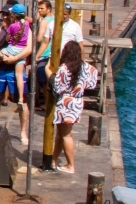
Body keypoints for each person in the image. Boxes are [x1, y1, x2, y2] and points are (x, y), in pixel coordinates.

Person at [44, 42, 98, 174]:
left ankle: (70, 165)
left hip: (65, 103)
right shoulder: (85, 66)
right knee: (61, 133)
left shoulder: (64, 68)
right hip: (77, 102)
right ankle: (54, 160)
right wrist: (81, 85)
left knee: (66, 135)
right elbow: (93, 80)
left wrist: (48, 71)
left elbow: (57, 87)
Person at [0, 4, 33, 144]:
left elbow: (29, 48)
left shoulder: (27, 29)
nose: (4, 17)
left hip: (16, 68)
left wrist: (15, 58)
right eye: (3, 14)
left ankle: (23, 132)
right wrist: (3, 57)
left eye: (7, 14)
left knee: (22, 102)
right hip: (2, 70)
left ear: (12, 15)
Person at [32, 0, 54, 109]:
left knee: (44, 81)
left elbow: (40, 38)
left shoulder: (45, 21)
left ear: (48, 9)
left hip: (44, 53)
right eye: (39, 9)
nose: (39, 10)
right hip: (52, 52)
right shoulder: (54, 19)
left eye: (42, 9)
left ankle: (46, 102)